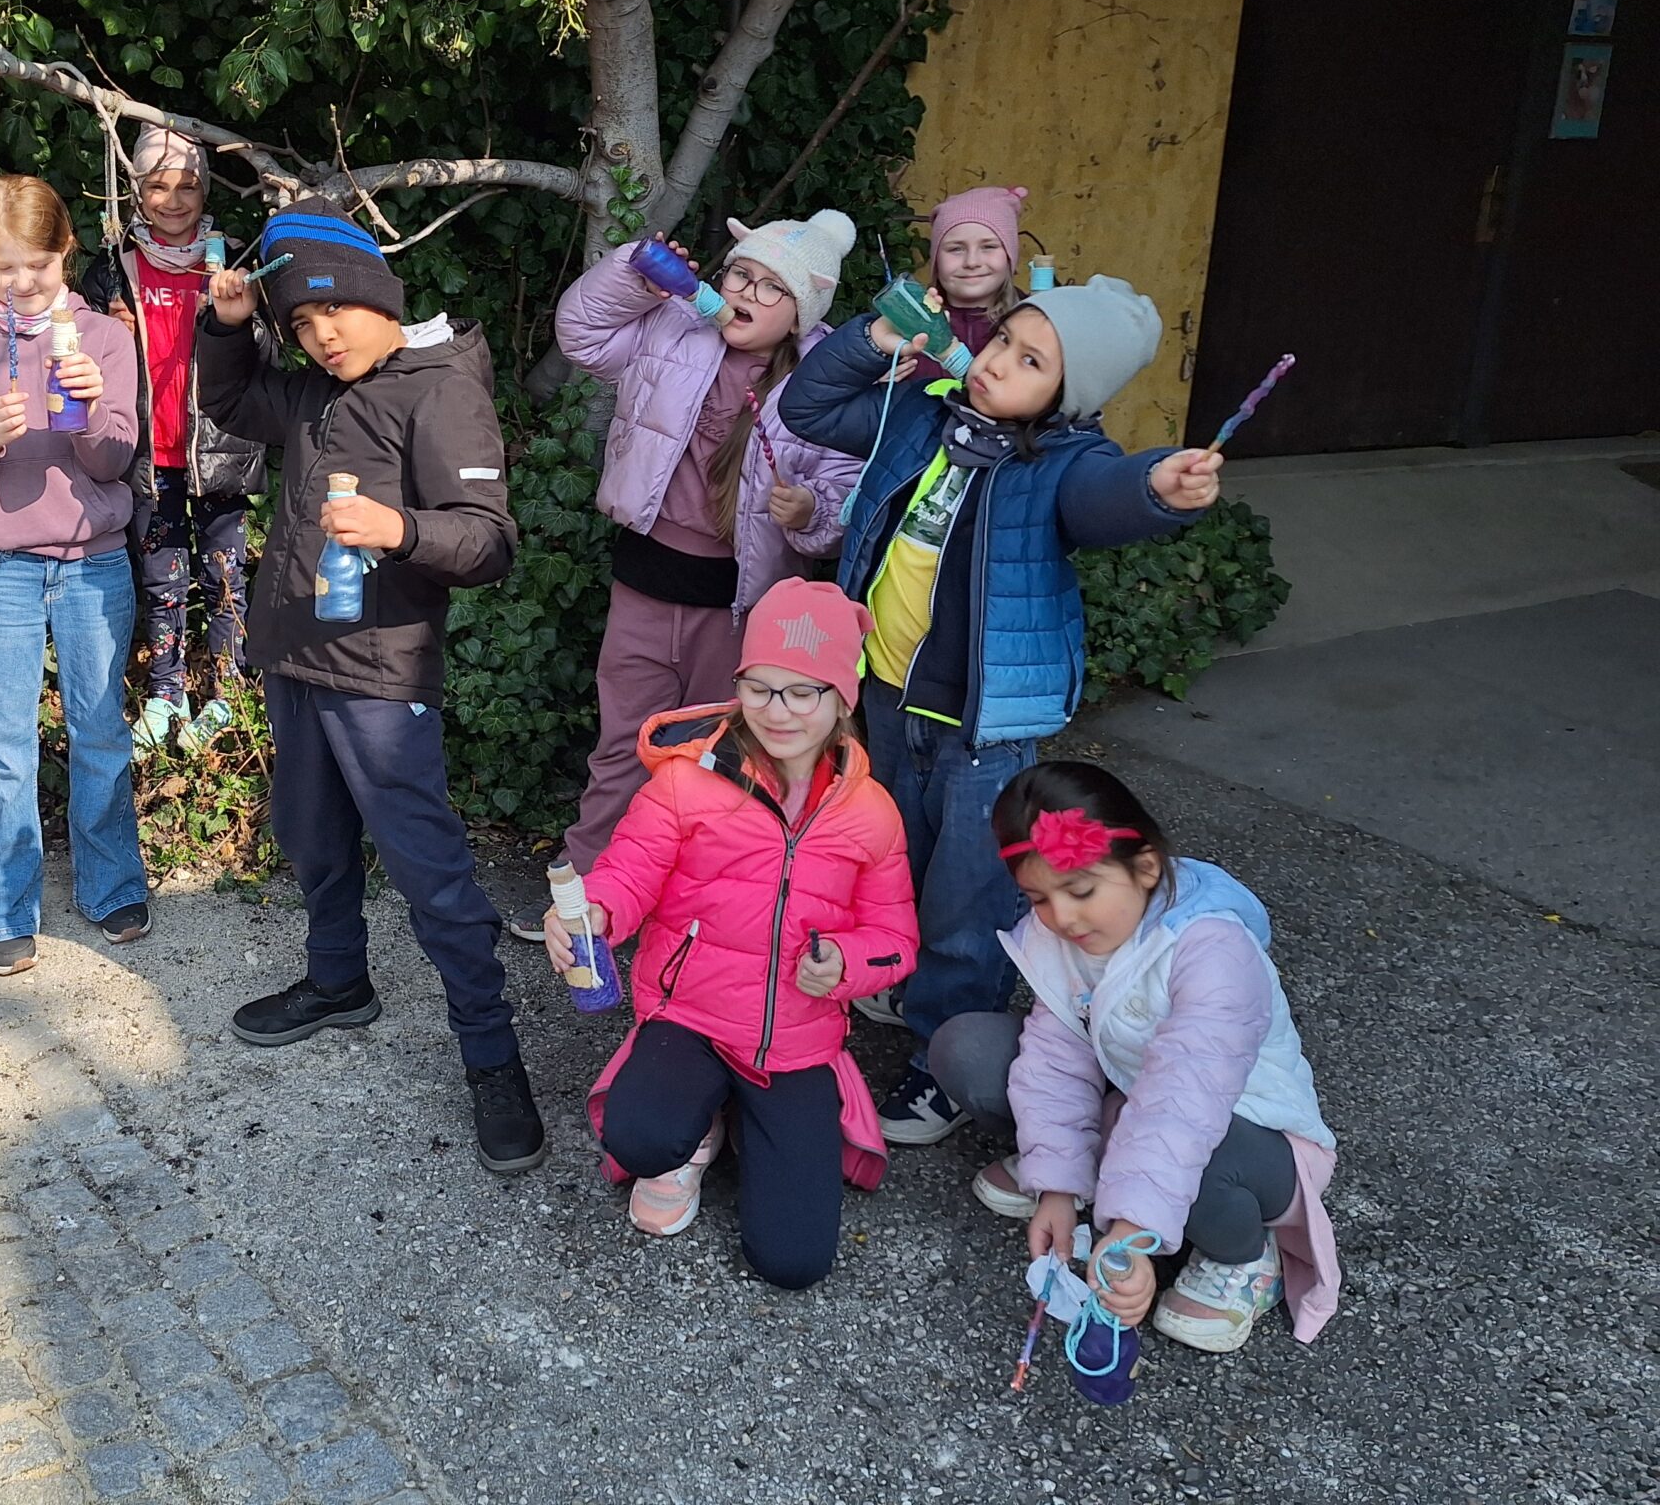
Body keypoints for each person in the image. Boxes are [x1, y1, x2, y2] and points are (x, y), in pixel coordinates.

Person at [778, 274, 1223, 1145]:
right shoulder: (922, 414)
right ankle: (903, 978)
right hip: (886, 697)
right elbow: (809, 409)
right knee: (894, 860)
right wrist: (873, 340)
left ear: (1068, 396)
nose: (997, 363)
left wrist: (1159, 488)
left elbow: (1106, 496)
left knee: (968, 897)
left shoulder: (1060, 465)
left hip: (982, 729)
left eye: (1031, 362)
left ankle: (945, 1051)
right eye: (1004, 341)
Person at [195, 212, 543, 1172]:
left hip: (384, 673)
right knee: (312, 839)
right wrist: (227, 326)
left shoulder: (441, 390)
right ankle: (338, 981)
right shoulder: (316, 388)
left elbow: (489, 540)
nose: (323, 337)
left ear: (380, 299)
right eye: (303, 325)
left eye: (335, 313)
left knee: (429, 871)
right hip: (296, 655)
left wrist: (402, 530)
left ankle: (492, 1055)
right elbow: (231, 400)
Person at [548, 579, 916, 1286]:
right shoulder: (685, 783)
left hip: (796, 1042)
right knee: (639, 1137)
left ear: (843, 698)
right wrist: (594, 912)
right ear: (738, 684)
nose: (778, 711)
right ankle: (697, 1132)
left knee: (792, 1261)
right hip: (690, 1018)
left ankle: (746, 1119)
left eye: (803, 691)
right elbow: (627, 872)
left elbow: (896, 938)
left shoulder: (872, 814)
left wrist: (846, 961)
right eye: (759, 687)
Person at [929, 761, 1342, 1354]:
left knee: (1204, 1158)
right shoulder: (1064, 933)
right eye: (1039, 898)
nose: (1062, 917)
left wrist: (1129, 1236)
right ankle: (1098, 1173)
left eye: (1081, 891)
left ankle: (1246, 1255)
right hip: (1133, 1097)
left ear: (1146, 867)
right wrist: (1056, 1186)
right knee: (969, 1050)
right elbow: (1055, 1058)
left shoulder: (1213, 949)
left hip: (1249, 1136)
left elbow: (1184, 1101)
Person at [548, 212, 861, 903]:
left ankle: (687, 902)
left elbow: (846, 490)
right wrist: (635, 274)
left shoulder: (824, 378)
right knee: (622, 745)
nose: (746, 290)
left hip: (740, 609)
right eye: (740, 273)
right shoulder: (675, 329)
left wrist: (811, 511)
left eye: (772, 287)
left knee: (716, 756)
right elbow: (582, 332)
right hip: (646, 581)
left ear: (802, 312)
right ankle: (592, 894)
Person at [0, 174, 149, 970]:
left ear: (65, 254)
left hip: (94, 562)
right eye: (3, 268)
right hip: (2, 567)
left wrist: (89, 409)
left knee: (101, 731)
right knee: (0, 740)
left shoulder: (107, 337)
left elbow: (115, 459)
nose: (21, 283)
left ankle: (111, 884)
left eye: (38, 266)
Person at [82, 125, 269, 755]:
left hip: (220, 447)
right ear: (136, 191)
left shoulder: (235, 260)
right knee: (160, 580)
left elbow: (269, 353)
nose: (173, 199)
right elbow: (79, 356)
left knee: (224, 576)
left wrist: (236, 317)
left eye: (187, 185)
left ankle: (227, 693)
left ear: (205, 190)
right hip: (146, 452)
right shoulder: (114, 268)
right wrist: (107, 333)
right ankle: (167, 694)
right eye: (157, 186)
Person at [910, 185, 1028, 385]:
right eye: (956, 249)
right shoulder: (907, 323)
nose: (972, 262)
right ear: (936, 259)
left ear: (1010, 256)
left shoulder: (1035, 325)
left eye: (988, 247)